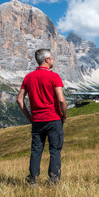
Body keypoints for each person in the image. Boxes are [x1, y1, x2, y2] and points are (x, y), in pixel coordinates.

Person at [16, 49, 67, 186]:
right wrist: (64, 115)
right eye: (52, 58)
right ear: (47, 60)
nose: (53, 60)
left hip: (37, 121)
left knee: (36, 150)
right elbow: (61, 100)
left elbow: (19, 100)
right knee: (55, 150)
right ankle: (54, 180)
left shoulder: (29, 77)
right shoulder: (54, 76)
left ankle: (32, 180)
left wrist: (30, 118)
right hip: (54, 119)